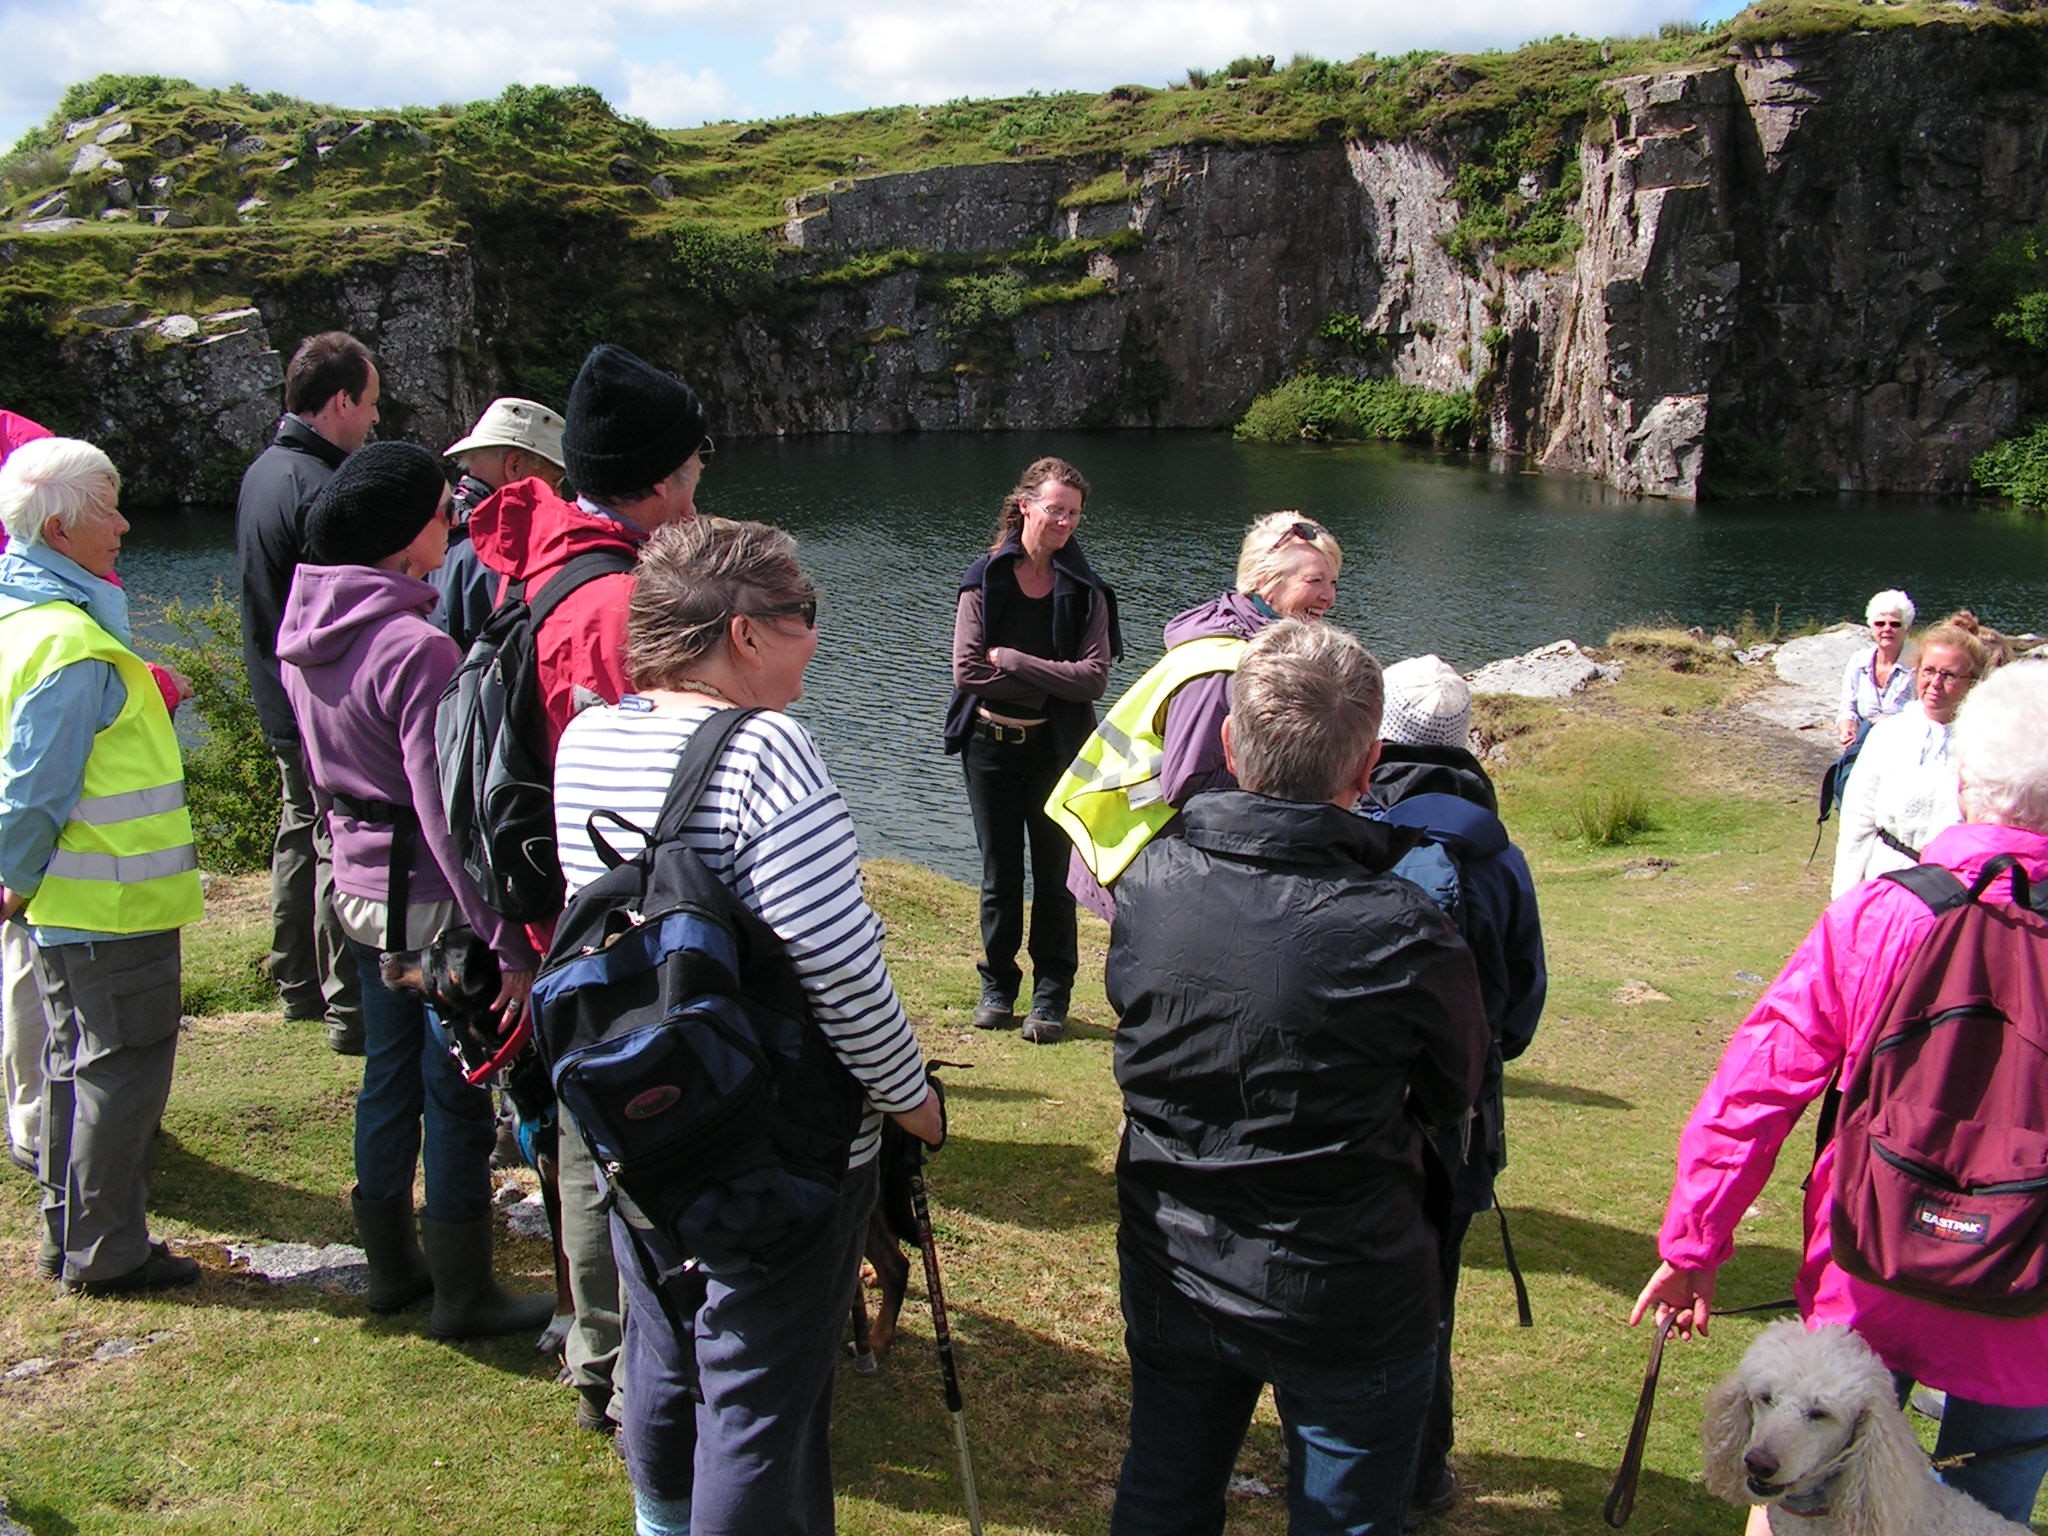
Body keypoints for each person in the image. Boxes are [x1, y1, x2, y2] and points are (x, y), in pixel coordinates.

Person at [551, 517, 943, 1536]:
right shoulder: (766, 749)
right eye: (803, 614)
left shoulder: (587, 736)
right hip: (779, 1137)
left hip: (643, 1116)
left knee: (664, 1346)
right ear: (743, 633)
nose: (817, 634)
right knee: (762, 1394)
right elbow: (841, 969)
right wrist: (911, 1101)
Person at [1632, 659, 2048, 1528]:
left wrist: (1695, 1242)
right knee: (1991, 1511)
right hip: (2030, 1303)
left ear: (1966, 780)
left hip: (1871, 1262)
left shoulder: (1882, 915)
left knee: (1808, 1505)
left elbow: (1758, 1084)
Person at [1107, 619, 1488, 1536]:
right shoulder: (1402, 926)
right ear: (1367, 771)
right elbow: (1455, 1089)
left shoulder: (1153, 880)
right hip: (1347, 1283)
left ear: (1232, 746)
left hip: (1175, 1254)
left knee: (1164, 1488)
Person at [465, 341, 712, 1432]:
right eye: (695, 467)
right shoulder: (611, 605)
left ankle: (602, 1352)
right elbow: (646, 787)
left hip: (557, 910)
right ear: (659, 479)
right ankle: (623, 1367)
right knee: (624, 1129)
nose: (702, 485)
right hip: (607, 922)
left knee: (583, 1129)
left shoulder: (550, 561)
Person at [275, 441, 552, 1338]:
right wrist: (505, 941)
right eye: (443, 510)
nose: (457, 522)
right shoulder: (416, 649)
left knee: (384, 1078)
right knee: (458, 1085)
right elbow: (446, 820)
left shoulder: (301, 635)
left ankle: (391, 1269)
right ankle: (466, 1294)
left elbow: (318, 782)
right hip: (432, 911)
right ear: (401, 540)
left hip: (355, 893)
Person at [0, 438, 205, 1295]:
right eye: (109, 511)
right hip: (108, 900)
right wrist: (12, 875)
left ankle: (70, 1235)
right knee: (120, 1070)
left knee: (69, 1064)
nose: (125, 524)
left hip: (68, 902)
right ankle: (108, 1250)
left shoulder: (21, 620)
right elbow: (34, 786)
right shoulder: (73, 645)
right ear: (59, 529)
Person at [1368, 655, 1546, 1526]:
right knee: (1433, 1289)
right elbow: (1522, 1004)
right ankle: (1425, 1468)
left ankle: (1334, 1452)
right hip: (1462, 1116)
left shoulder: (1360, 826)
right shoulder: (1497, 851)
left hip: (1362, 1103)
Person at [1054, 510, 1343, 925]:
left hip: (1160, 851)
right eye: (1313, 581)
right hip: (1138, 852)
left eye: (1333, 583)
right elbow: (1188, 782)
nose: (1328, 597)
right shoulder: (1224, 668)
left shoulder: (1250, 643)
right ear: (1265, 581)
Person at [237, 330, 380, 1054]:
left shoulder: (266, 470)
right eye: (370, 404)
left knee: (298, 831)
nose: (374, 422)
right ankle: (345, 1005)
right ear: (341, 402)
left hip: (274, 689)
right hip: (313, 700)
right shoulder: (322, 488)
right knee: (332, 840)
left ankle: (294, 977)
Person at [944, 457, 1119, 1043]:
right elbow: (968, 673)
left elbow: (1094, 679)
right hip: (989, 748)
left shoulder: (1087, 590)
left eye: (1073, 513)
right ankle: (997, 985)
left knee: (1054, 878)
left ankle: (1051, 998)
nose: (1064, 521)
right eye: (1054, 509)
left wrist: (1015, 661)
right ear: (1026, 506)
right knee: (999, 875)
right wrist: (1055, 676)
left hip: (1056, 750)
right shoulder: (983, 579)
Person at [1831, 619, 1991, 898]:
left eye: (1949, 675)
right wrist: (1845, 896)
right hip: (1887, 881)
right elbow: (1858, 819)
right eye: (1928, 671)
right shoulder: (1889, 734)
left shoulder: (1986, 744)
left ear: (1972, 683)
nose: (1935, 683)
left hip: (1955, 891)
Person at [435, 396, 568, 650]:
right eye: (555, 481)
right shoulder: (498, 551)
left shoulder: (428, 527)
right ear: (514, 466)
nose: (559, 496)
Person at [1835, 588, 1916, 753]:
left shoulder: (1918, 666)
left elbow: (1925, 714)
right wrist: (1847, 727)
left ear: (1907, 629)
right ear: (1871, 627)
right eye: (1880, 623)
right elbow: (1848, 708)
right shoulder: (1858, 661)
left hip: (1903, 749)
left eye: (1895, 624)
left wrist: (1892, 722)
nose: (1887, 629)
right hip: (1862, 748)